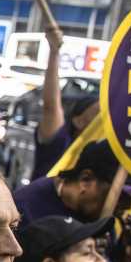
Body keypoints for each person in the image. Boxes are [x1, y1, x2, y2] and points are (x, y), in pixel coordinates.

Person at [32, 25, 99, 179]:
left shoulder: (98, 154)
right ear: (78, 120)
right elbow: (51, 106)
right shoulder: (59, 141)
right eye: (97, 113)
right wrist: (54, 52)